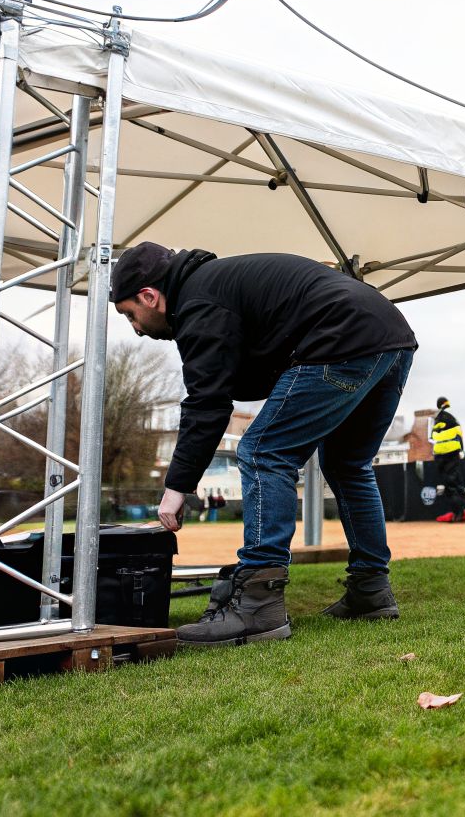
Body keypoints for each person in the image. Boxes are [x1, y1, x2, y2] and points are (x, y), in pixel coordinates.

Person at [112, 243, 418, 647]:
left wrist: (176, 486)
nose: (136, 328)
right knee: (347, 464)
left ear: (150, 296)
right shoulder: (216, 288)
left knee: (262, 451)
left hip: (342, 337)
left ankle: (257, 603)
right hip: (390, 338)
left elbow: (208, 403)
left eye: (131, 314)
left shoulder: (198, 303)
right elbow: (243, 377)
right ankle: (371, 589)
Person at [429, 397, 465, 522]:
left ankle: (457, 513)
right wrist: (461, 450)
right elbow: (459, 434)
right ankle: (463, 512)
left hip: (439, 454)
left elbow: (431, 438)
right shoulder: (453, 414)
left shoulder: (436, 417)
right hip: (451, 452)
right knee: (455, 483)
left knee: (449, 485)